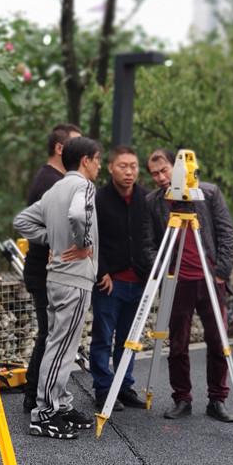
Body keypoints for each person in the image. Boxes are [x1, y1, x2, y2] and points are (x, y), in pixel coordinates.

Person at [13, 137, 101, 439]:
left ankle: (60, 404)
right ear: (86, 161)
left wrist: (52, 239)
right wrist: (83, 243)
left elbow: (22, 221)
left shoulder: (55, 189)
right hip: (74, 278)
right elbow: (77, 215)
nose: (99, 166)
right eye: (98, 160)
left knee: (59, 344)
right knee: (61, 348)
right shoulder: (84, 186)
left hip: (57, 279)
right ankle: (45, 414)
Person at [143, 149, 233, 423]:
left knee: (218, 341)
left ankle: (217, 400)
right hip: (177, 281)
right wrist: (163, 270)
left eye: (164, 170)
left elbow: (226, 232)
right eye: (154, 174)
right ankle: (182, 398)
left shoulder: (208, 193)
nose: (161, 178)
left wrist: (222, 272)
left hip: (210, 278)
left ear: (177, 167)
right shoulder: (153, 202)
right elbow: (148, 243)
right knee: (178, 343)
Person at [21, 123, 82, 412]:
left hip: (52, 271)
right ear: (60, 148)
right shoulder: (50, 182)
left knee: (51, 335)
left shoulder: (58, 179)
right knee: (51, 336)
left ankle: (39, 395)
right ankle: (38, 397)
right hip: (46, 273)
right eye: (77, 145)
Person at [90, 146, 149, 411]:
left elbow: (152, 238)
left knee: (129, 339)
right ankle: (104, 389)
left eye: (133, 166)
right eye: (123, 166)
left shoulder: (146, 199)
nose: (129, 172)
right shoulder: (99, 199)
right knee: (103, 338)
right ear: (111, 167)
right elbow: (91, 238)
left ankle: (124, 387)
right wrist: (101, 271)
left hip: (140, 281)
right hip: (110, 282)